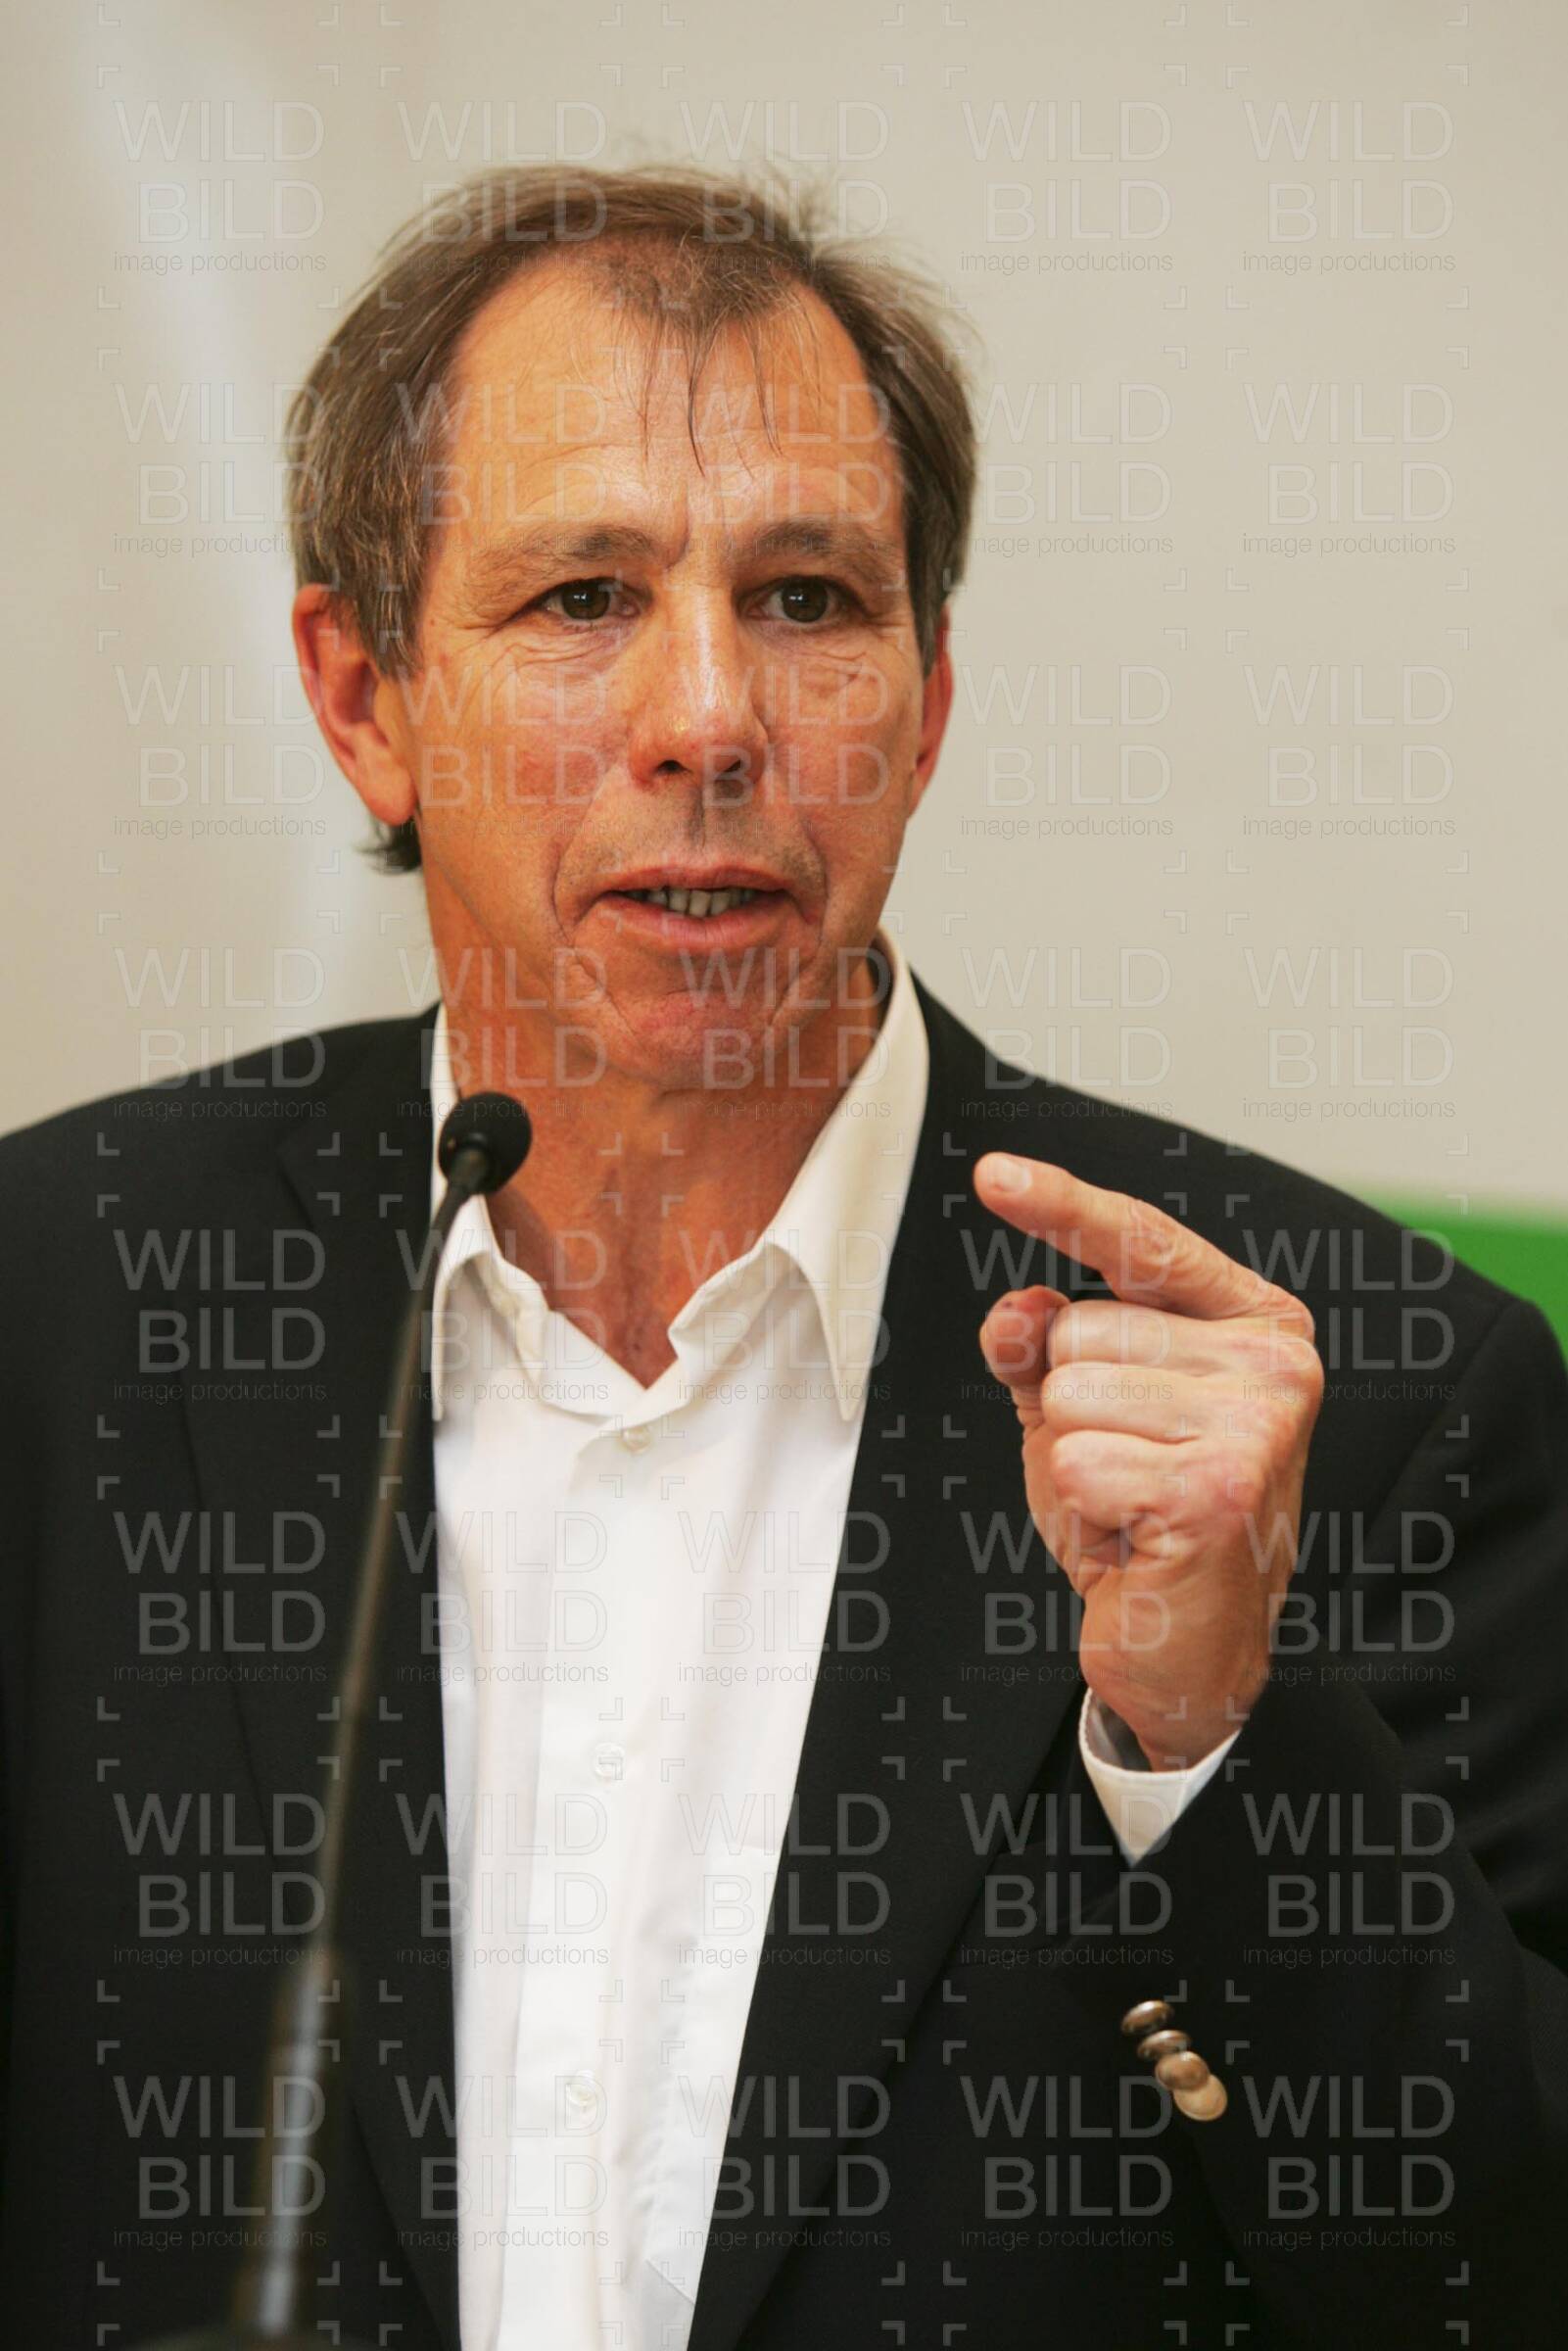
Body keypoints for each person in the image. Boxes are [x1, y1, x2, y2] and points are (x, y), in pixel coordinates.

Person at [1, 165, 1564, 2351]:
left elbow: (1501, 2276)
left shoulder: (1361, 1395)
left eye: (809, 597)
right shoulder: (59, 1312)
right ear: (363, 695)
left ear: (928, 699)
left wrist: (1218, 1739)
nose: (711, 716)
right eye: (583, 597)